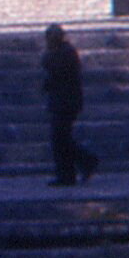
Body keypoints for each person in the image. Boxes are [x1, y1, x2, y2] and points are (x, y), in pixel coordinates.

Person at [41, 24, 98, 185]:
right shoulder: (63, 52)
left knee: (60, 139)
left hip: (66, 102)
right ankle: (79, 167)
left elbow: (56, 72)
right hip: (62, 101)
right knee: (61, 139)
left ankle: (79, 166)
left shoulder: (65, 53)